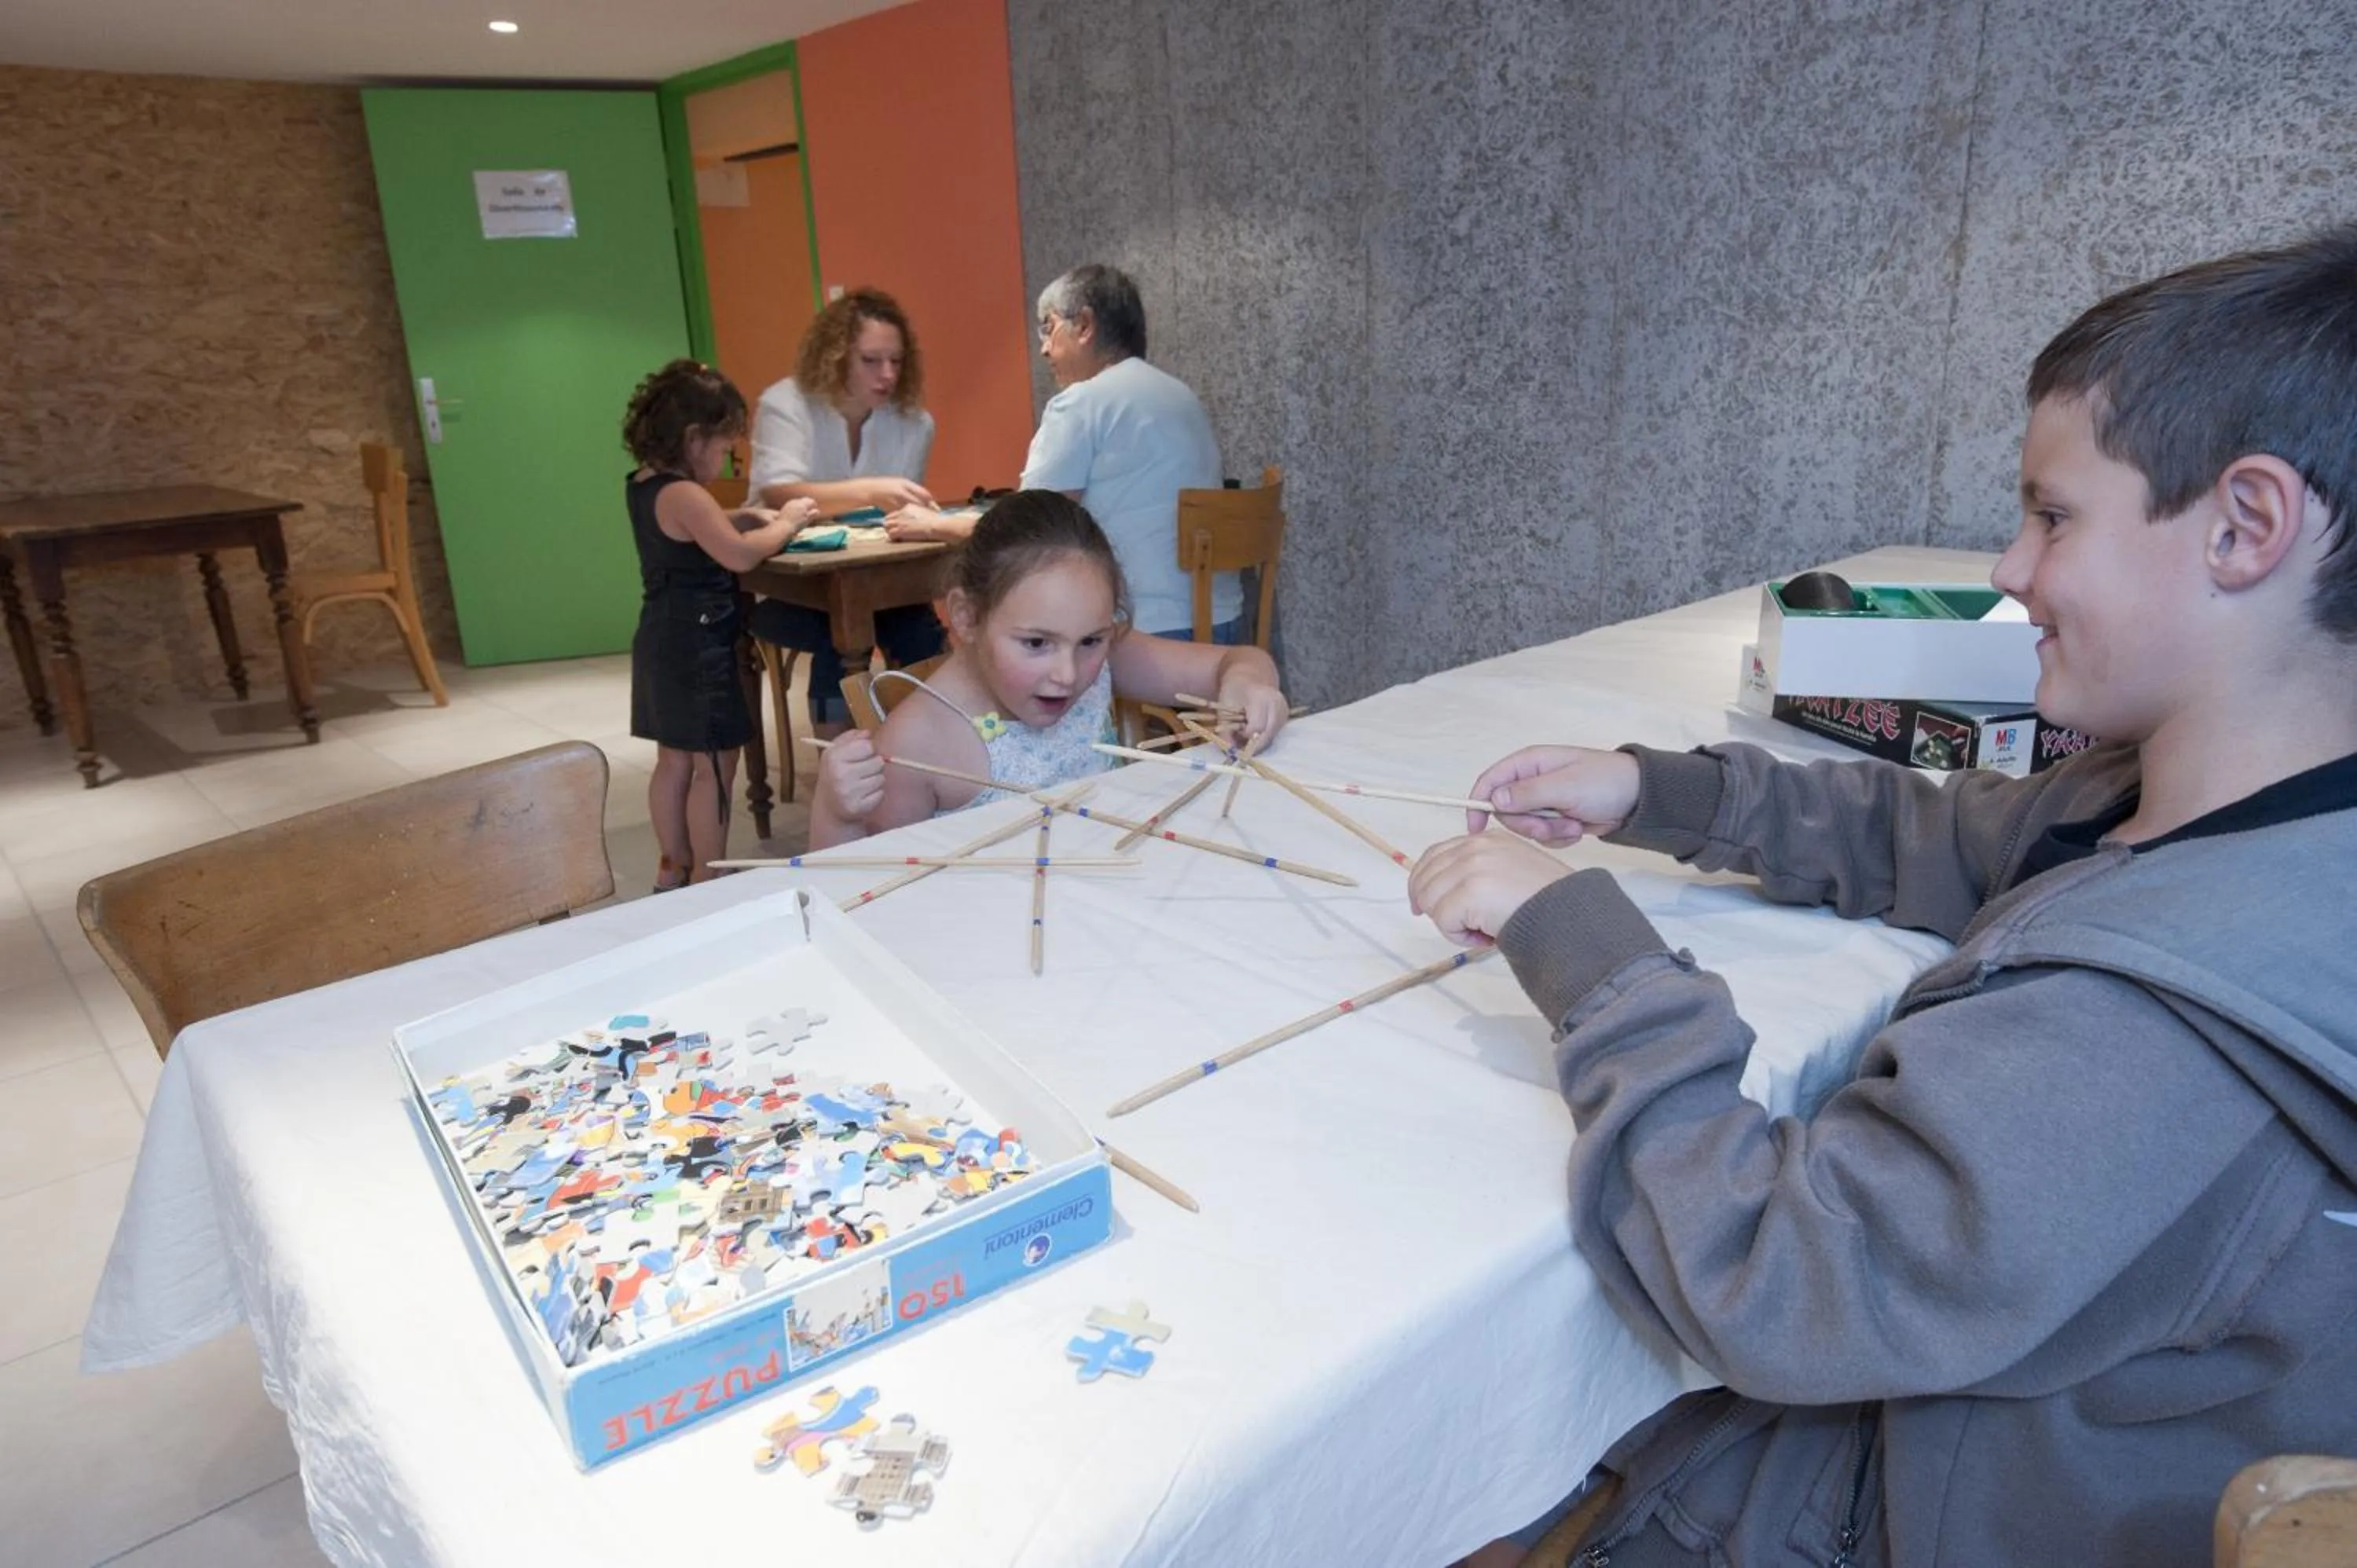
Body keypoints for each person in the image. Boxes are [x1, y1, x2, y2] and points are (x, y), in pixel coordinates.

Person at [1410, 226, 2357, 1566]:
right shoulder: (2223, 808)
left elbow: (1777, 1275)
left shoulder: (2152, 1026)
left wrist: (1583, 950)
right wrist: (1662, 793)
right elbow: (1961, 835)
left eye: (2052, 515)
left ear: (2246, 527)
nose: (2013, 571)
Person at [811, 490, 1288, 847]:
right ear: (966, 617)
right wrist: (837, 815)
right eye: (1037, 643)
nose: (1068, 674)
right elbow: (861, 891)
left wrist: (1248, 683)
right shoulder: (918, 743)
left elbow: (1239, 660)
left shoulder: (1108, 660)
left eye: (1090, 641)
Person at [621, 360, 817, 891]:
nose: (726, 460)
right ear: (692, 438)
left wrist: (734, 520)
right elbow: (739, 557)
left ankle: (673, 865)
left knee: (673, 762)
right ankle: (711, 877)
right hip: (699, 645)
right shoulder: (688, 495)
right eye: (723, 448)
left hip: (660, 638)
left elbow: (690, 535)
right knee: (715, 761)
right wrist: (786, 523)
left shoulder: (644, 486)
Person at [746, 288, 962, 732]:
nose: (887, 374)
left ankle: (930, 749)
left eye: (896, 361)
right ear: (836, 356)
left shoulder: (914, 423)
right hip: (787, 586)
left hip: (872, 579)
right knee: (839, 636)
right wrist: (870, 491)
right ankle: (839, 763)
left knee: (920, 632)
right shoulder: (786, 404)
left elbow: (901, 516)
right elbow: (777, 494)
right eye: (871, 360)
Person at [1021, 264, 1241, 643]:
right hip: (1225, 626)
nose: (1043, 348)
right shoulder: (1182, 397)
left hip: (1141, 634)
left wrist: (935, 525)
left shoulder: (1082, 402)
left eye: (1049, 326)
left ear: (1085, 325)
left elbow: (1032, 522)